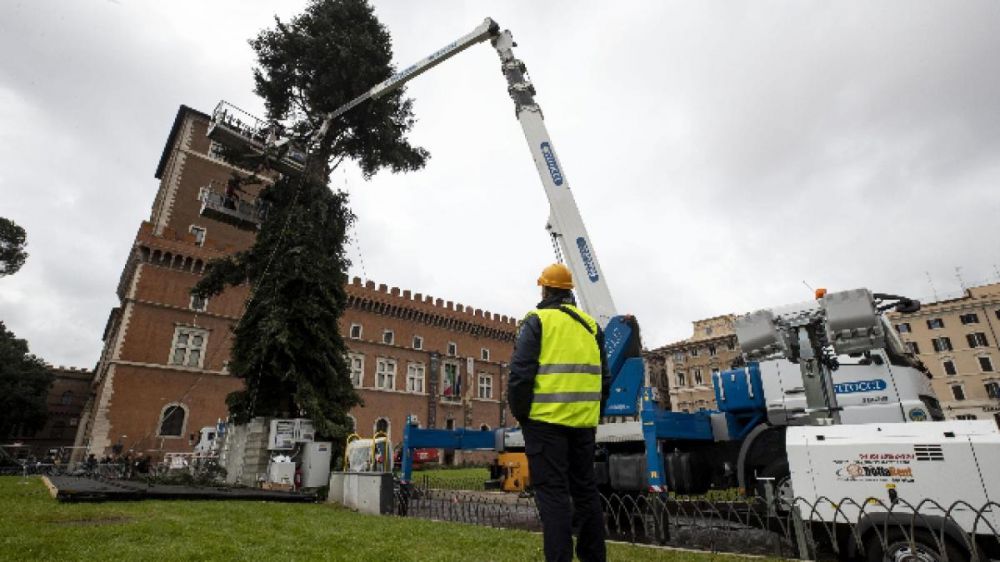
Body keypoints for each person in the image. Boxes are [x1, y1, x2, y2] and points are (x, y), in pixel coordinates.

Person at [508, 263, 611, 562]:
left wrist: (522, 414)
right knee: (586, 491)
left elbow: (520, 375)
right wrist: (593, 413)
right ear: (569, 291)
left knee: (553, 495)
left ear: (545, 288)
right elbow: (604, 379)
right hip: (583, 425)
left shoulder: (538, 321)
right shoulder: (592, 327)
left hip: (544, 423)